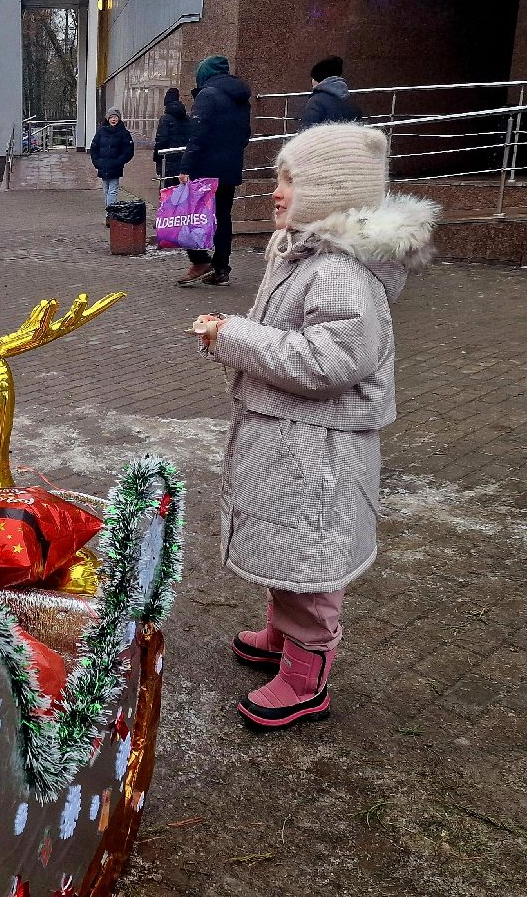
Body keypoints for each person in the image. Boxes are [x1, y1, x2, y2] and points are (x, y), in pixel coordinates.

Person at [188, 123, 438, 729]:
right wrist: (235, 335)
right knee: (285, 540)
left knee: (310, 550)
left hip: (318, 450)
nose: (275, 192)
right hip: (289, 436)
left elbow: (328, 361)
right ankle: (283, 629)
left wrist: (235, 337)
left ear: (329, 194)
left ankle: (308, 668)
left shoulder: (340, 272)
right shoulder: (301, 255)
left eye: (290, 181)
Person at [177, 56, 252, 287]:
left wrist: (186, 166)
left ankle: (200, 261)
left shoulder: (207, 95)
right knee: (223, 218)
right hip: (229, 168)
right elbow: (245, 133)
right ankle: (221, 269)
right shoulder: (240, 98)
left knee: (187, 213)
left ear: (204, 73)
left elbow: (197, 135)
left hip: (205, 168)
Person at [89, 107, 135, 216]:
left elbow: (128, 150)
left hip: (115, 166)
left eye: (115, 117)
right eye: (111, 117)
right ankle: (109, 212)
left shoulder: (123, 133)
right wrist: (97, 162)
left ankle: (110, 215)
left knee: (112, 191)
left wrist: (119, 161)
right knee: (106, 190)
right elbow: (94, 147)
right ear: (107, 118)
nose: (113, 119)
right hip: (103, 165)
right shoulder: (101, 131)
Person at [299, 55, 362, 129]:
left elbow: (307, 132)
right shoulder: (350, 101)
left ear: (317, 79)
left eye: (312, 78)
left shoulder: (316, 102)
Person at [152, 87, 191, 185]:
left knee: (167, 190)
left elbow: (161, 140)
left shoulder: (165, 119)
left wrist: (156, 156)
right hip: (183, 160)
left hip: (167, 160)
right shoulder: (187, 118)